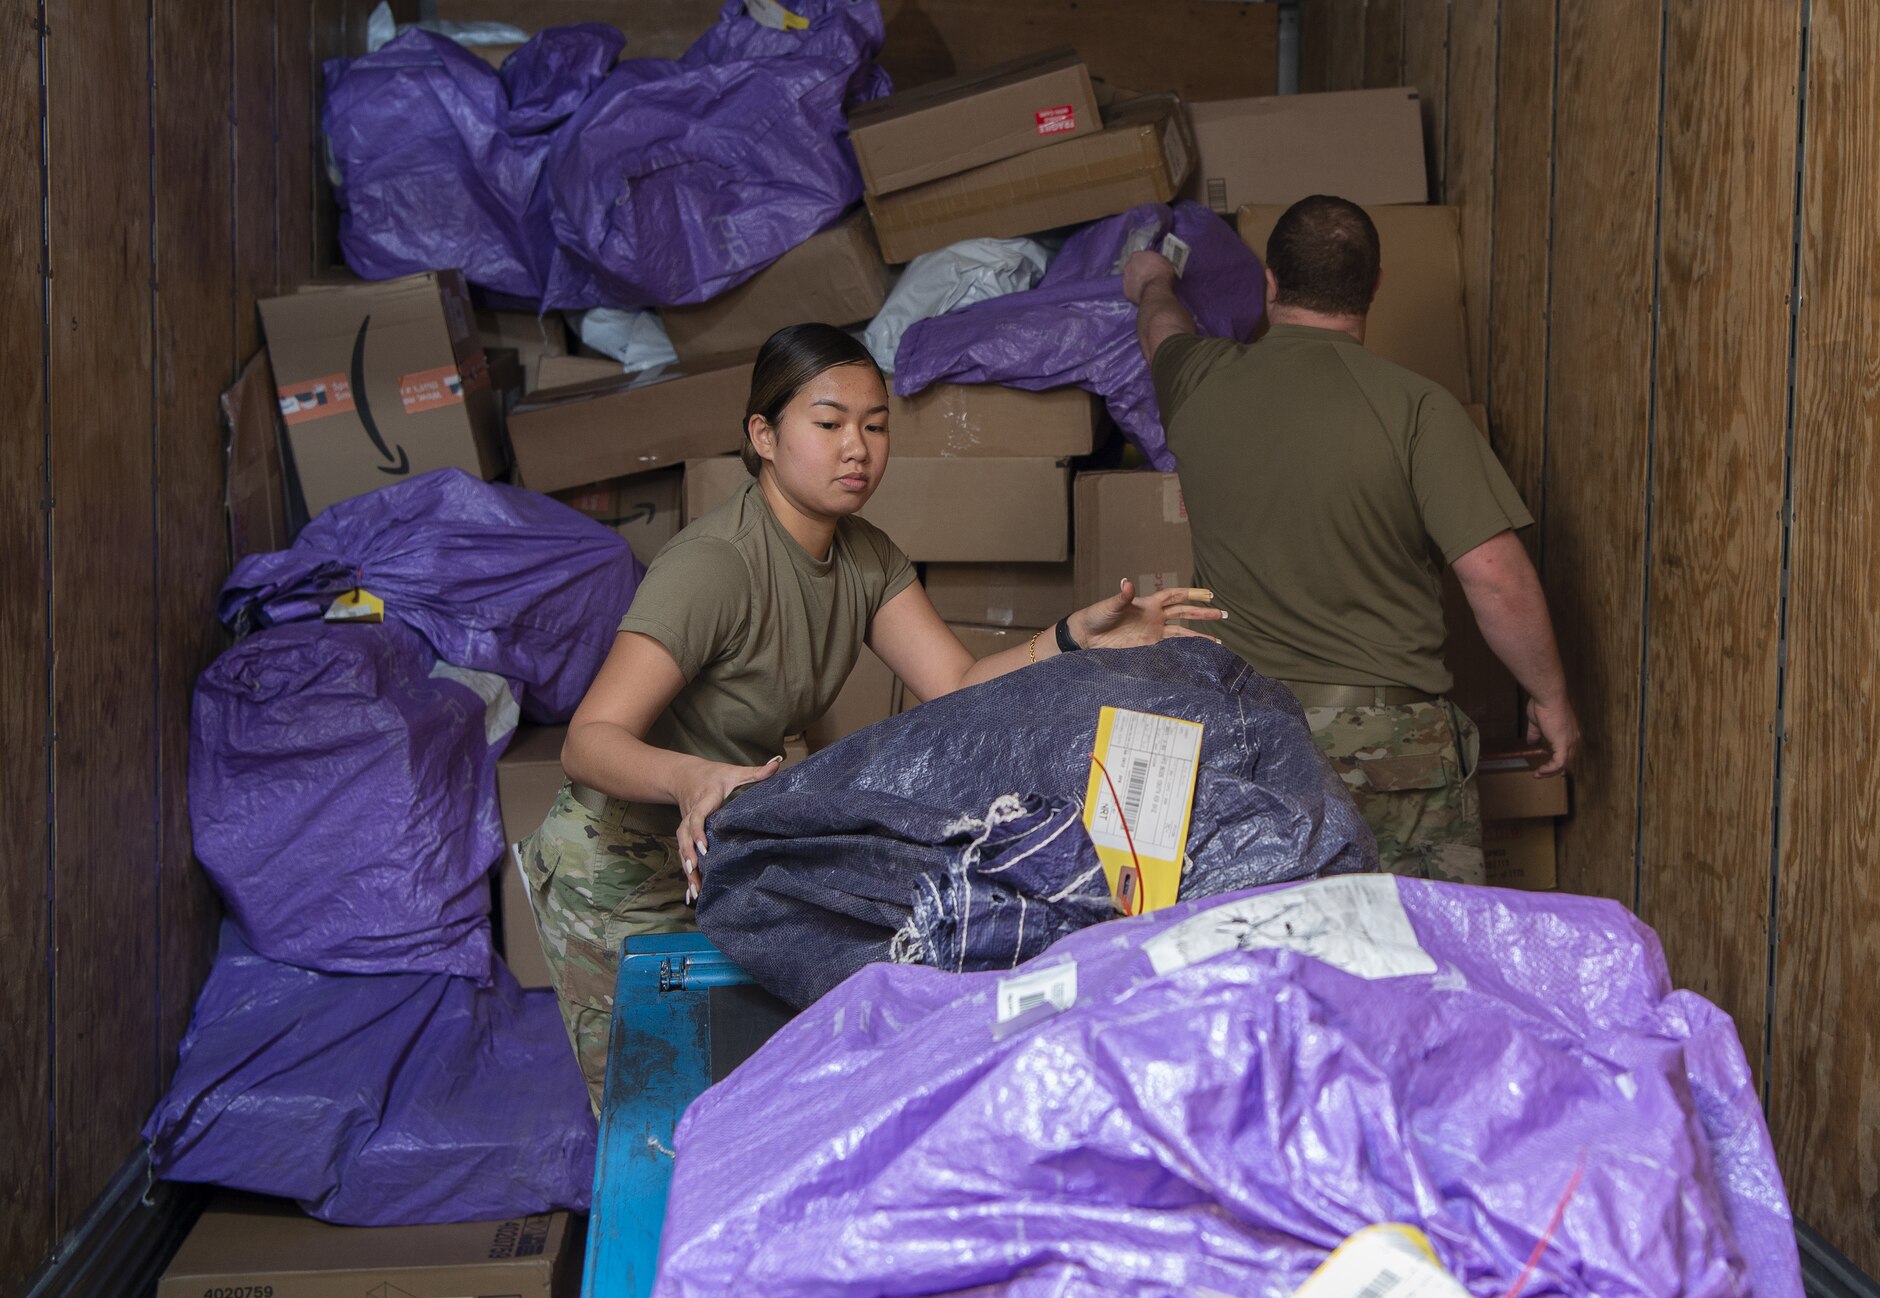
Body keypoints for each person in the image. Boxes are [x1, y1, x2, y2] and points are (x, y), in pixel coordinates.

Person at [519, 322, 1224, 1110]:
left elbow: (956, 681)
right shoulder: (714, 567)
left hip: (725, 854)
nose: (857, 447)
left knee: (747, 1102)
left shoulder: (866, 556)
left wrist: (1070, 641)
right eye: (828, 424)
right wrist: (690, 778)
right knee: (650, 1115)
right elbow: (588, 742)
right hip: (615, 864)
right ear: (764, 436)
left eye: (875, 425)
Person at [1122, 195, 1580, 884]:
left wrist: (1153, 280)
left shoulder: (1198, 381)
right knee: (1411, 966)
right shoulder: (1419, 408)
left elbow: (1161, 330)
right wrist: (1550, 698)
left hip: (1250, 738)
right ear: (1375, 287)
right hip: (1394, 754)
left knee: (1270, 963)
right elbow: (1496, 577)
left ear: (1269, 283)